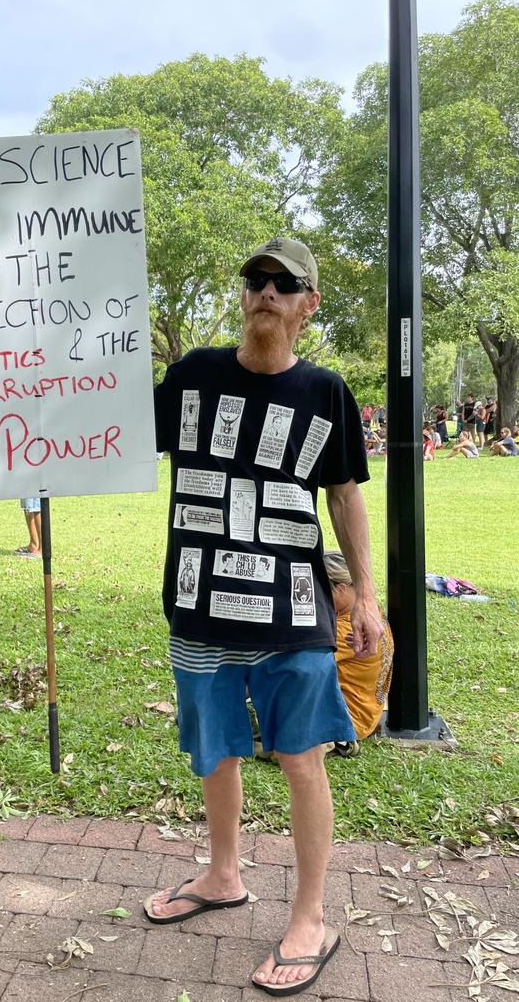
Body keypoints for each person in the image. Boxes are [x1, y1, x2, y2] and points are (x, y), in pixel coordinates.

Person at [147, 236, 382, 996]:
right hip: (199, 604)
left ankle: (310, 917)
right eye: (256, 279)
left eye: (285, 284)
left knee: (300, 757)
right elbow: (110, 438)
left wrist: (369, 600)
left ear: (309, 305)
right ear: (242, 294)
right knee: (214, 748)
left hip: (293, 613)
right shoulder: (191, 377)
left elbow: (345, 494)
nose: (267, 293)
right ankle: (223, 875)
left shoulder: (327, 393)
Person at [324, 551, 393, 747]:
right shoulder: (373, 613)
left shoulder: (345, 629)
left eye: (321, 592)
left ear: (342, 589)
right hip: (366, 714)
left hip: (346, 721)